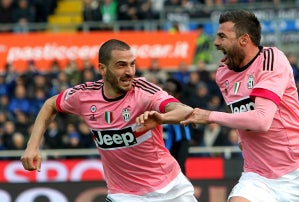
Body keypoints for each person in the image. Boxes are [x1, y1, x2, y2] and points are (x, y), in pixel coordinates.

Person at [136, 10, 299, 202]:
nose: (216, 43)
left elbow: (262, 120)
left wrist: (209, 116)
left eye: (222, 36)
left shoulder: (271, 60)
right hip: (258, 177)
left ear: (244, 40)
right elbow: (240, 112)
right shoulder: (224, 74)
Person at [20, 39, 197, 202]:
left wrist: (163, 117)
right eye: (121, 65)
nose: (129, 72)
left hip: (170, 190)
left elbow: (185, 111)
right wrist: (32, 146)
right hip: (123, 195)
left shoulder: (144, 92)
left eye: (132, 64)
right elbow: (50, 105)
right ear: (102, 69)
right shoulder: (85, 96)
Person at [162, 78, 192, 175]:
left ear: (177, 95)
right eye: (164, 89)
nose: (165, 93)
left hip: (170, 168)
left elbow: (183, 144)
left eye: (169, 91)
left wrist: (179, 171)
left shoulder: (180, 116)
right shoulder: (152, 111)